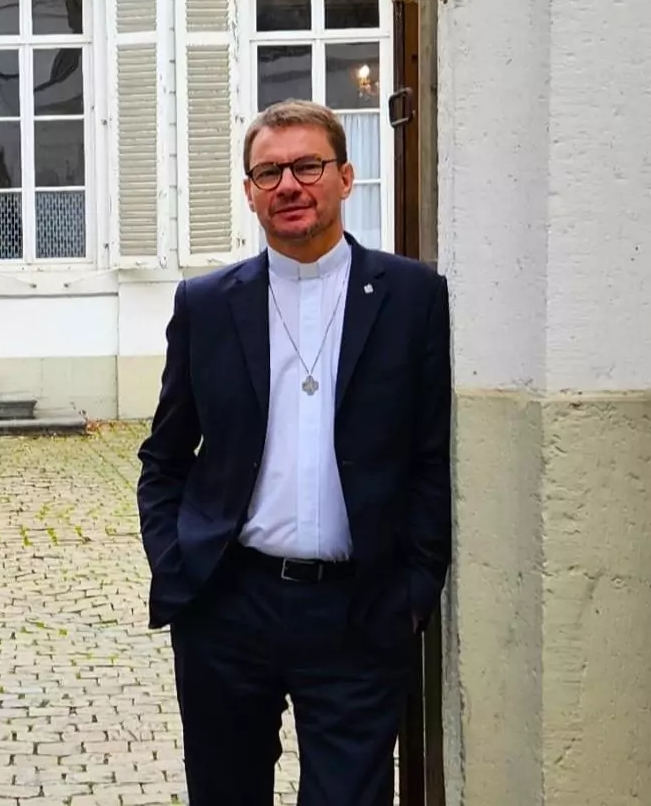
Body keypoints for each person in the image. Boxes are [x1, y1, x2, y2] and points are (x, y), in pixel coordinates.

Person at [135, 98, 452, 806]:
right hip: (228, 604)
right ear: (249, 193)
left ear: (344, 176)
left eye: (306, 166)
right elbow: (164, 456)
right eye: (268, 172)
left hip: (360, 609)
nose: (288, 185)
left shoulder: (411, 296)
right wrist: (175, 561)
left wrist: (413, 589)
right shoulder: (207, 304)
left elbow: (430, 456)